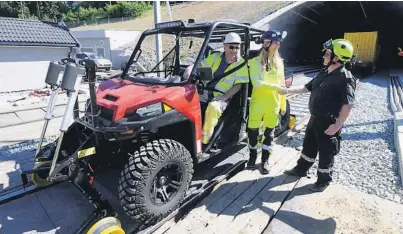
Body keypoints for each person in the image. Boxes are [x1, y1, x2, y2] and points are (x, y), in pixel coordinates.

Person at [282, 38, 356, 192]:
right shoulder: (324, 72)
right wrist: (287, 90)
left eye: (327, 53)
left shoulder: (345, 78)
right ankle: (301, 169)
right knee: (308, 145)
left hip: (329, 121)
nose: (324, 56)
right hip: (314, 118)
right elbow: (307, 87)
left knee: (326, 152)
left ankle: (323, 180)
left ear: (336, 58)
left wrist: (337, 125)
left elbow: (348, 104)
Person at [184, 32, 249, 145]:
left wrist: (223, 97)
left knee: (213, 107)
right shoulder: (215, 57)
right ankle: (188, 132)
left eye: (237, 47)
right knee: (187, 101)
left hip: (225, 96)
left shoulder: (241, 64)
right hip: (206, 91)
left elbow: (238, 85)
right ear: (224, 46)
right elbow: (199, 65)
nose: (234, 50)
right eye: (231, 47)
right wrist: (190, 69)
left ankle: (205, 141)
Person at [246, 29, 288, 175]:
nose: (278, 46)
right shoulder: (255, 62)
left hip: (273, 104)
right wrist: (276, 88)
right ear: (267, 43)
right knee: (253, 132)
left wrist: (283, 103)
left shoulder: (279, 63)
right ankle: (252, 157)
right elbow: (256, 83)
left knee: (269, 134)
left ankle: (265, 160)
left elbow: (282, 83)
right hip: (258, 104)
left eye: (278, 43)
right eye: (275, 42)